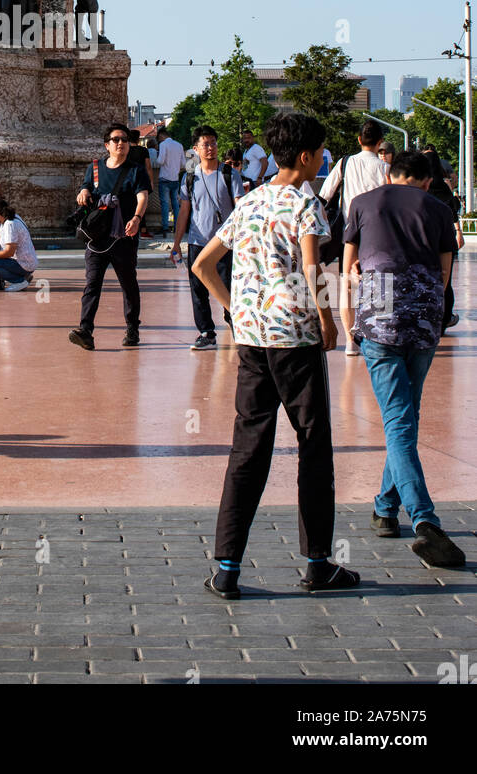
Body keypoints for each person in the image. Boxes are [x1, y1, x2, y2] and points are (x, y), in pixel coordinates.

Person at [193, 112, 359, 598]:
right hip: (296, 342)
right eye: (320, 155)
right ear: (306, 157)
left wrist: (235, 309)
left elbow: (204, 264)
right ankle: (317, 564)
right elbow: (312, 268)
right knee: (313, 446)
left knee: (248, 449)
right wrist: (327, 322)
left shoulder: (248, 201)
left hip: (252, 342)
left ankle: (226, 569)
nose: (321, 162)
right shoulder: (307, 204)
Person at [341, 150, 464, 568]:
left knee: (398, 420)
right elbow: (446, 273)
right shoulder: (438, 207)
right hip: (424, 318)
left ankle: (417, 518)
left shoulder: (362, 202)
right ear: (426, 180)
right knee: (406, 415)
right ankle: (389, 510)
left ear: (390, 174)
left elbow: (350, 267)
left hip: (379, 315)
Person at [68, 123, 151, 350]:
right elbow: (85, 188)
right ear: (107, 145)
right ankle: (85, 330)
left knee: (128, 284)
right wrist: (83, 192)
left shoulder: (136, 170)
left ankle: (132, 328)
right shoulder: (94, 168)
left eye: (124, 139)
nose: (121, 143)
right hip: (97, 237)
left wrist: (136, 218)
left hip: (124, 235)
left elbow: (143, 196)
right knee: (92, 284)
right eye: (116, 140)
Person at [319, 119, 390, 353]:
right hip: (378, 234)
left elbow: (325, 194)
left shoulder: (345, 163)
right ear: (380, 143)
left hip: (349, 233)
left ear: (359, 140)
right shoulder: (385, 169)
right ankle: (378, 339)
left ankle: (350, 342)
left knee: (347, 286)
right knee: (379, 284)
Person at [171, 126, 245, 351]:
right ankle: (206, 332)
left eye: (213, 143)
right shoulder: (190, 177)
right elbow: (184, 211)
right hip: (197, 240)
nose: (211, 148)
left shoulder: (230, 174)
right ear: (196, 149)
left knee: (229, 286)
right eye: (206, 144)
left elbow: (240, 207)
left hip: (225, 242)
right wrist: (176, 243)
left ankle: (236, 324)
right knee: (198, 289)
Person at [424, 149, 463, 332]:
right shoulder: (444, 187)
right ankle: (445, 317)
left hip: (426, 241)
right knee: (445, 280)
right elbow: (453, 211)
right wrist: (458, 232)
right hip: (445, 240)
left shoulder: (421, 187)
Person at [153, 125, 186, 239]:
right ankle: (177, 227)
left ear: (161, 136)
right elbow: (183, 164)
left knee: (165, 204)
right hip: (175, 179)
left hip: (164, 178)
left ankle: (165, 227)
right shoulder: (179, 145)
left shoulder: (163, 144)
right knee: (176, 204)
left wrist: (156, 158)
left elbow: (160, 161)